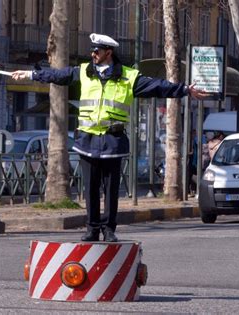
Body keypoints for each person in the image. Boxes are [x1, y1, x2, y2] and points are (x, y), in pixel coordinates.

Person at [12, 33, 210, 242]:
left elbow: (159, 87)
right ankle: (92, 228)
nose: (93, 54)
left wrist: (185, 90)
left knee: (111, 189)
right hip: (87, 141)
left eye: (97, 51)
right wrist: (29, 75)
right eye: (92, 51)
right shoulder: (84, 72)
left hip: (113, 141)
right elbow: (57, 75)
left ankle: (109, 229)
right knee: (90, 189)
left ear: (109, 52)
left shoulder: (129, 77)